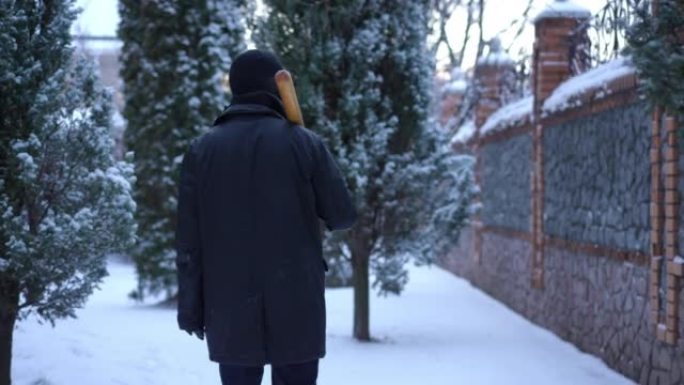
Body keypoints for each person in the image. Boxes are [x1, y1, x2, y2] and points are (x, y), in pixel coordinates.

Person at [175, 49, 357, 385]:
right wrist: (314, 160)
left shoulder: (200, 151)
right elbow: (342, 215)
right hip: (297, 305)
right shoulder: (305, 144)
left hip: (228, 309)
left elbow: (189, 241)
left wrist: (190, 308)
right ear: (279, 87)